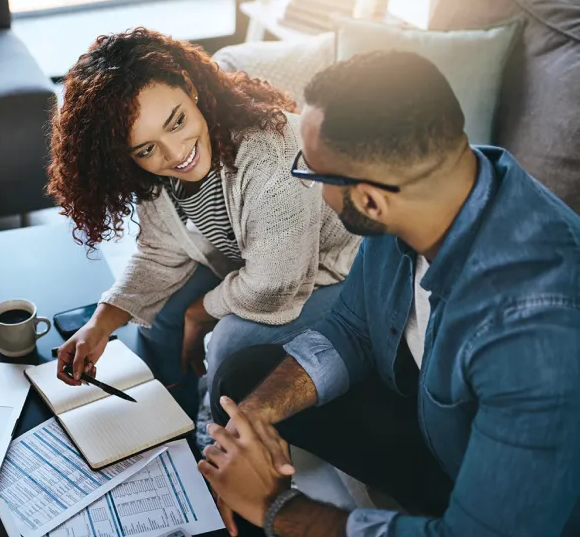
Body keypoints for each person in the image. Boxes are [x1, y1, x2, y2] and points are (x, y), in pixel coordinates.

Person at [202, 50, 580, 536]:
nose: (315, 192)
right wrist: (257, 416)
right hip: (431, 421)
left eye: (312, 173)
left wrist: (277, 508)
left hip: (498, 491)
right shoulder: (428, 196)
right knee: (246, 379)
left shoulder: (536, 329)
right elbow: (353, 330)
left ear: (369, 200)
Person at [47, 28, 360, 415]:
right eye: (146, 149)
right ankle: (166, 419)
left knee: (229, 340)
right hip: (255, 263)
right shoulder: (155, 177)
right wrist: (101, 322)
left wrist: (202, 310)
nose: (176, 154)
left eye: (176, 122)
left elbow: (273, 284)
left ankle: (210, 431)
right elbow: (161, 251)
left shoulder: (272, 157)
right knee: (161, 316)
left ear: (190, 88)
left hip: (339, 271)